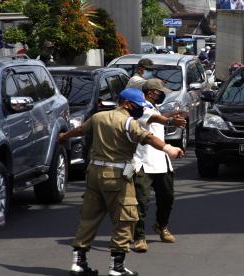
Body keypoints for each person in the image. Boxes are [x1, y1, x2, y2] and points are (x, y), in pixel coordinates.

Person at [59, 88, 185, 276]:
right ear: (127, 104)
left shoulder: (99, 117)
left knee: (89, 218)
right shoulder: (128, 123)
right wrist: (169, 149)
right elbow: (148, 138)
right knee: (126, 219)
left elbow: (80, 129)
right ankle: (116, 267)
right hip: (117, 176)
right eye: (138, 106)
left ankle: (78, 263)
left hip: (94, 174)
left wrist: (62, 137)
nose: (141, 110)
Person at [132, 79, 188, 252]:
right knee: (141, 202)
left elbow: (158, 117)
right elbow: (155, 118)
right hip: (143, 163)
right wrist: (171, 122)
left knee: (167, 197)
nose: (162, 94)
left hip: (161, 161)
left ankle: (161, 226)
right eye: (159, 91)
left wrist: (172, 114)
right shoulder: (141, 107)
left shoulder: (153, 106)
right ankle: (139, 237)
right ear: (150, 93)